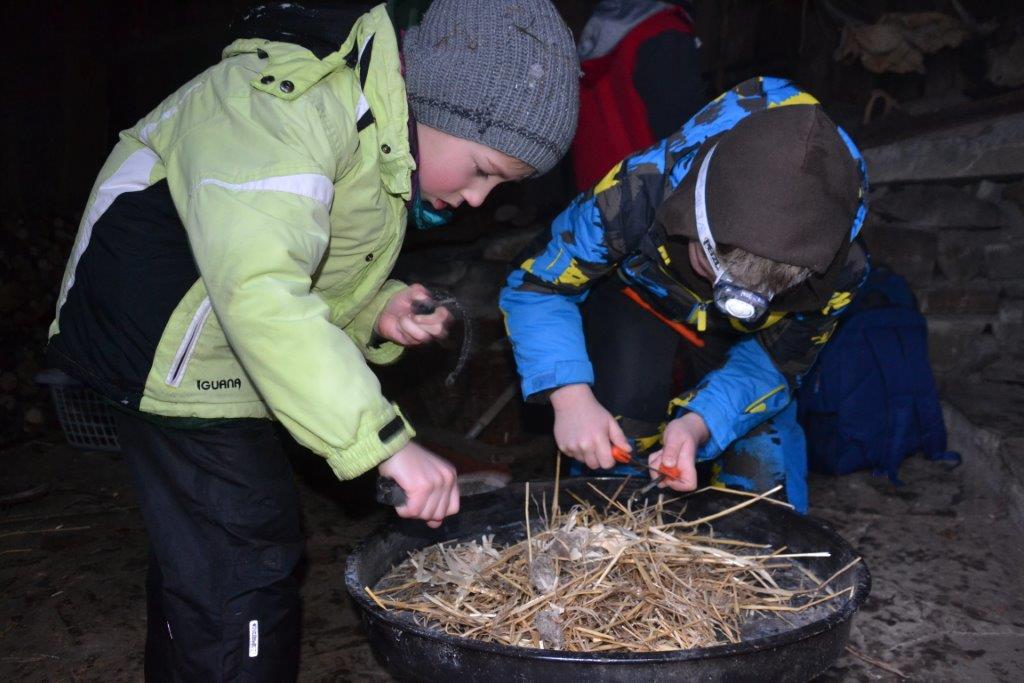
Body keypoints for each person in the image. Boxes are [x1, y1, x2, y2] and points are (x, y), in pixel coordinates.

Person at [45, 1, 578, 679]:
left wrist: (375, 309)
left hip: (214, 342)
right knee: (245, 559)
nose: (479, 198)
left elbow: (302, 266)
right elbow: (261, 290)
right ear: (441, 104)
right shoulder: (287, 109)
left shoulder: (371, 129)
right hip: (167, 350)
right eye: (482, 168)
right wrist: (386, 442)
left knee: (206, 556)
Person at [500, 76, 870, 514]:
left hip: (746, 342)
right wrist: (570, 396)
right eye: (711, 271)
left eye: (756, 294)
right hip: (641, 303)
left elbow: (777, 360)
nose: (724, 296)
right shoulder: (636, 193)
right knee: (620, 418)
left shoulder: (839, 268)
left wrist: (698, 425)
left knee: (764, 466)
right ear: (691, 218)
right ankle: (610, 523)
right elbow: (538, 285)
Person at [572, 0, 704, 191]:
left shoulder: (600, 31)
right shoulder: (663, 33)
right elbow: (685, 140)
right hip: (649, 195)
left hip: (600, 196)